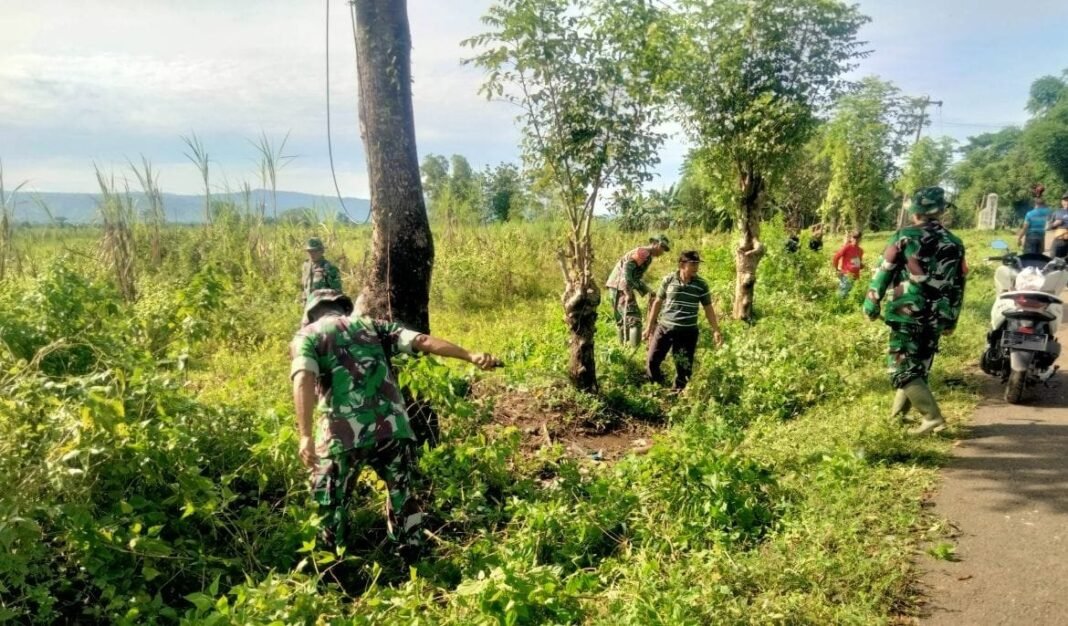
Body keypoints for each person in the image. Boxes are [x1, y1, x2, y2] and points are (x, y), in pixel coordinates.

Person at [290, 289, 500, 562]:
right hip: (391, 429)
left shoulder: (307, 336)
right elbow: (421, 340)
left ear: (311, 313)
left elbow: (303, 378)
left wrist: (305, 435)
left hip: (341, 436)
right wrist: (470, 355)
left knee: (329, 502)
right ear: (343, 308)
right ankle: (413, 560)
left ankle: (332, 570)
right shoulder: (372, 326)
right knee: (402, 495)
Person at [863, 187, 967, 436]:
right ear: (941, 211)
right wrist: (952, 317)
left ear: (915, 212)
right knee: (917, 367)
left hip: (907, 312)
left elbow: (885, 269)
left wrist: (871, 302)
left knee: (901, 368)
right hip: (938, 314)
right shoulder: (955, 242)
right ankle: (897, 417)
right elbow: (959, 283)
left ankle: (933, 418)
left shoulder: (904, 236)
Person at [643, 250, 723, 390]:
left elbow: (708, 309)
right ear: (681, 264)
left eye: (697, 264)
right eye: (692, 264)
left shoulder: (701, 285)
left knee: (684, 368)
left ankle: (676, 394)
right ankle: (658, 387)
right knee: (652, 361)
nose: (696, 267)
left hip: (688, 332)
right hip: (664, 328)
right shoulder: (668, 280)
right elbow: (657, 303)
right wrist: (649, 327)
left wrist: (716, 330)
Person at [605, 234, 671, 347]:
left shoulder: (646, 255)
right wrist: (627, 288)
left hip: (614, 286)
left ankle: (623, 350)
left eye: (664, 249)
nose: (662, 252)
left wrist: (648, 291)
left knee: (622, 321)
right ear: (655, 244)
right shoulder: (643, 252)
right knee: (634, 320)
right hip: (621, 287)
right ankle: (634, 350)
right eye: (662, 247)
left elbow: (635, 277)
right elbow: (627, 268)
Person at [299, 237, 342, 304]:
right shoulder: (305, 266)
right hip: (308, 307)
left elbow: (337, 292)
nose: (312, 254)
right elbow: (304, 287)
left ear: (322, 251)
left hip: (323, 308)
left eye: (315, 251)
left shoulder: (330, 268)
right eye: (310, 251)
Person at [831, 230, 864, 297]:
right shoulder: (847, 247)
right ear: (851, 238)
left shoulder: (860, 250)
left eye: (858, 238)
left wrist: (862, 266)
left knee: (852, 295)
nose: (856, 239)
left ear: (860, 239)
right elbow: (836, 257)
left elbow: (858, 263)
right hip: (846, 275)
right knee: (842, 294)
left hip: (856, 276)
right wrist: (837, 269)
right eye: (854, 237)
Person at [1048, 192, 1068, 259]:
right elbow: (1049, 227)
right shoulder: (1056, 212)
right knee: (1053, 260)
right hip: (1058, 241)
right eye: (1065, 200)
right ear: (1062, 201)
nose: (1066, 202)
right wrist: (1055, 224)